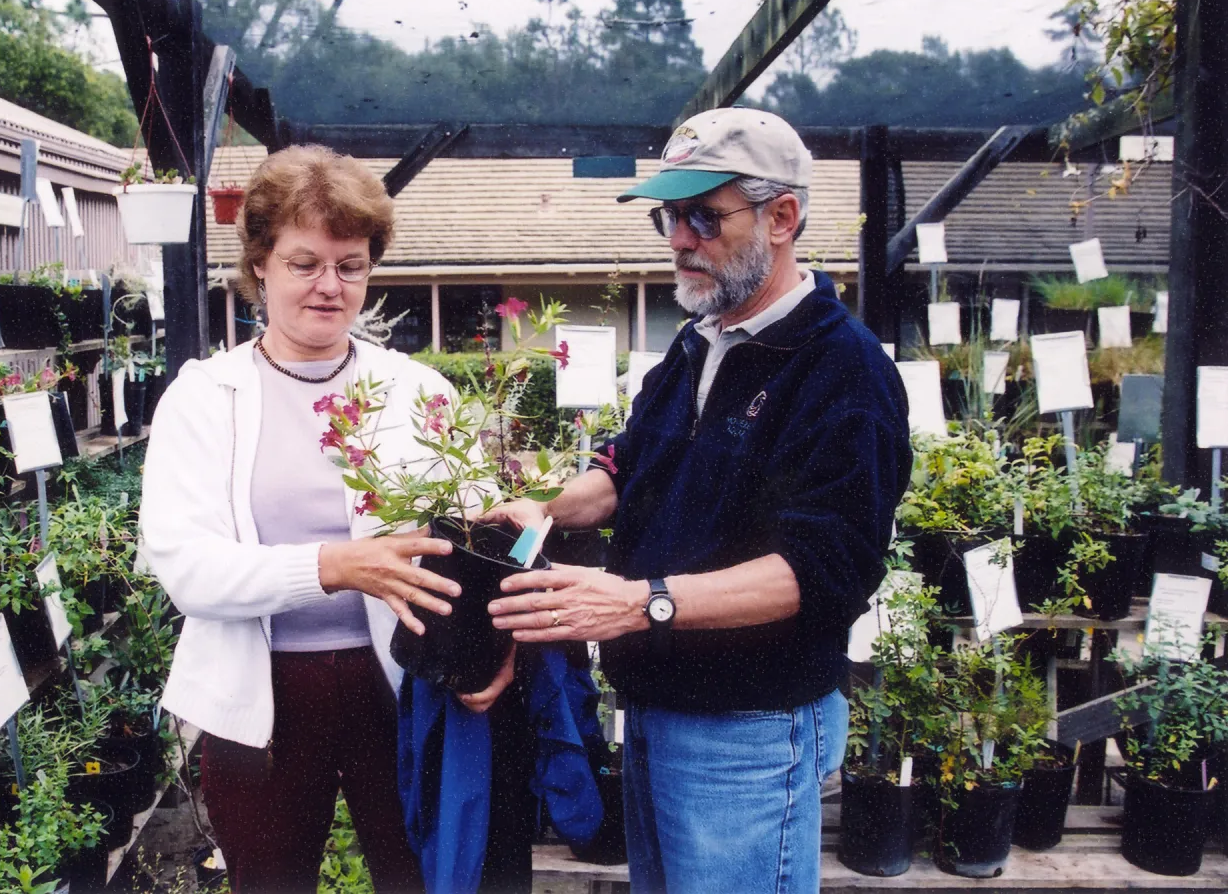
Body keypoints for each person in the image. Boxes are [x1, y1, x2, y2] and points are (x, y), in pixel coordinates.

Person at [482, 108, 913, 894]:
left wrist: (640, 603)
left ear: (782, 217)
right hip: (656, 708)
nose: (680, 238)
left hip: (747, 730)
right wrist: (546, 506)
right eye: (670, 216)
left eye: (704, 217)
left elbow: (827, 570)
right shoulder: (698, 343)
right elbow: (626, 466)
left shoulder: (842, 372)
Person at [139, 145, 512, 894]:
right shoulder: (204, 398)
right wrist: (333, 566)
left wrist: (497, 651)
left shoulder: (415, 391)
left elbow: (475, 541)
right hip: (261, 702)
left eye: (351, 265)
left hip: (401, 685)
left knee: (421, 878)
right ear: (261, 264)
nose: (329, 286)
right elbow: (187, 570)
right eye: (305, 262)